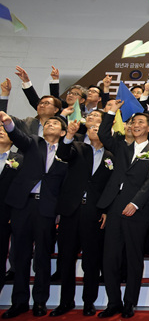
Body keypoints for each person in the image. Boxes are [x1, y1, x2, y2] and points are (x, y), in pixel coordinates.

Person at [0, 112, 68, 318]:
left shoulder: (67, 152)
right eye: (48, 123)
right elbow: (17, 135)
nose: (50, 124)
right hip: (23, 205)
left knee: (42, 257)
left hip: (46, 209)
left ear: (63, 132)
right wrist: (8, 123)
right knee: (20, 257)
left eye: (55, 123)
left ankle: (40, 301)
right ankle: (19, 302)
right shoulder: (33, 143)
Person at [96, 106, 149, 319]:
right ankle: (113, 302)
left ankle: (129, 303)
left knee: (134, 258)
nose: (136, 125)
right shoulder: (121, 147)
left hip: (138, 210)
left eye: (141, 122)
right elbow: (103, 134)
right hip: (115, 206)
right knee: (110, 258)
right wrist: (109, 113)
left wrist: (135, 203)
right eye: (133, 122)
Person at [51, 121, 113, 317]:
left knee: (91, 261)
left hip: (94, 214)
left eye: (100, 128)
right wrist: (69, 135)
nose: (95, 130)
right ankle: (66, 302)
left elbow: (111, 186)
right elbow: (62, 154)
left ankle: (88, 302)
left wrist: (106, 210)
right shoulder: (77, 148)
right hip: (71, 211)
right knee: (66, 259)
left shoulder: (111, 156)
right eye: (92, 128)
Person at [0, 125, 22, 296]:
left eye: (4, 130)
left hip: (4, 214)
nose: (1, 131)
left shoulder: (19, 159)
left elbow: (20, 189)